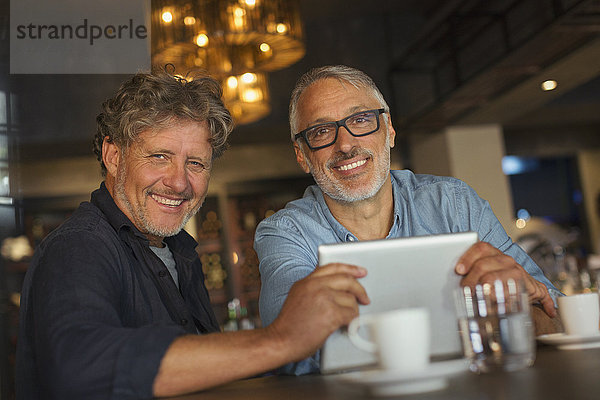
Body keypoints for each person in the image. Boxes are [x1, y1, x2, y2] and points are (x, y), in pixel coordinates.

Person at [16, 70, 371, 399]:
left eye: (196, 163)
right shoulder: (79, 247)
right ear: (113, 155)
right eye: (159, 156)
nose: (180, 182)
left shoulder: (179, 252)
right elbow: (80, 368)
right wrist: (280, 340)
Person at [255, 65, 563, 375]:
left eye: (360, 120)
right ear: (302, 155)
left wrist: (528, 305)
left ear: (388, 129)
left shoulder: (454, 203)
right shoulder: (284, 234)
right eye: (321, 131)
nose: (345, 145)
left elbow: (557, 314)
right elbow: (288, 352)